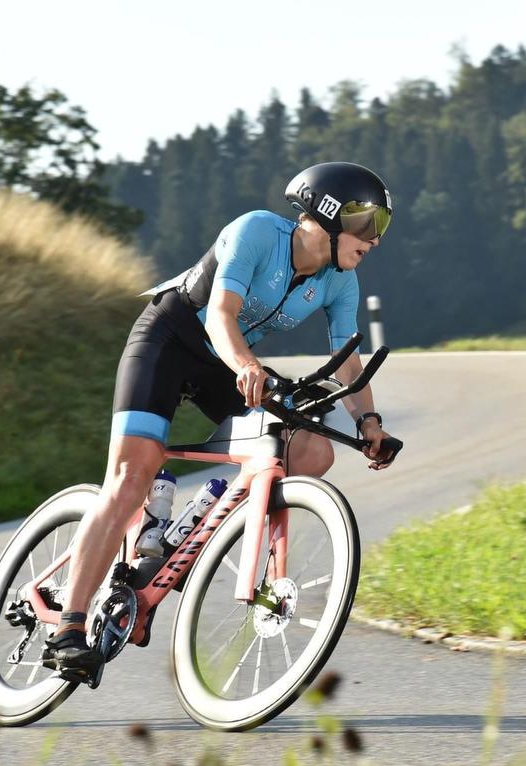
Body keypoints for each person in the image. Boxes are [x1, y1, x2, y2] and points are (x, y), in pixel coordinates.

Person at [42, 162, 396, 676]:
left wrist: (368, 424)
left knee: (310, 449)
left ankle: (186, 543)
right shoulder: (257, 231)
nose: (375, 240)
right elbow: (218, 316)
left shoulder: (341, 282)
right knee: (129, 476)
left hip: (226, 362)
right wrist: (250, 367)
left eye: (382, 228)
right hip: (172, 338)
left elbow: (348, 362)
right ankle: (68, 627)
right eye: (368, 223)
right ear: (326, 213)